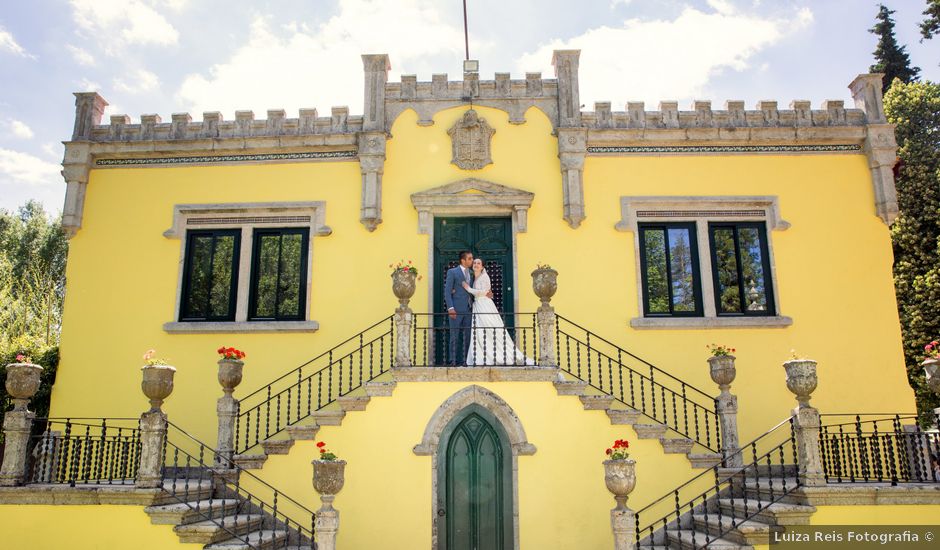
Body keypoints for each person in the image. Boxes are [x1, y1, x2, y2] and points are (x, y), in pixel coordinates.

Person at [462, 258, 535, 366]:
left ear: (482, 267)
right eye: (475, 263)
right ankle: (483, 356)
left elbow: (485, 292)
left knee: (490, 328)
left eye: (478, 263)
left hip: (485, 306)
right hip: (478, 306)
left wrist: (468, 289)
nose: (476, 265)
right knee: (480, 331)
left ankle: (497, 355)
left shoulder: (485, 277)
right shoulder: (474, 278)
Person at [443, 251, 476, 365]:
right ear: (463, 260)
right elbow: (447, 291)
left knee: (468, 336)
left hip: (468, 309)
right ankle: (453, 360)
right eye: (470, 259)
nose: (472, 261)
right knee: (454, 336)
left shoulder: (471, 273)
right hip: (455, 309)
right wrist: (450, 308)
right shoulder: (452, 272)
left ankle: (466, 360)